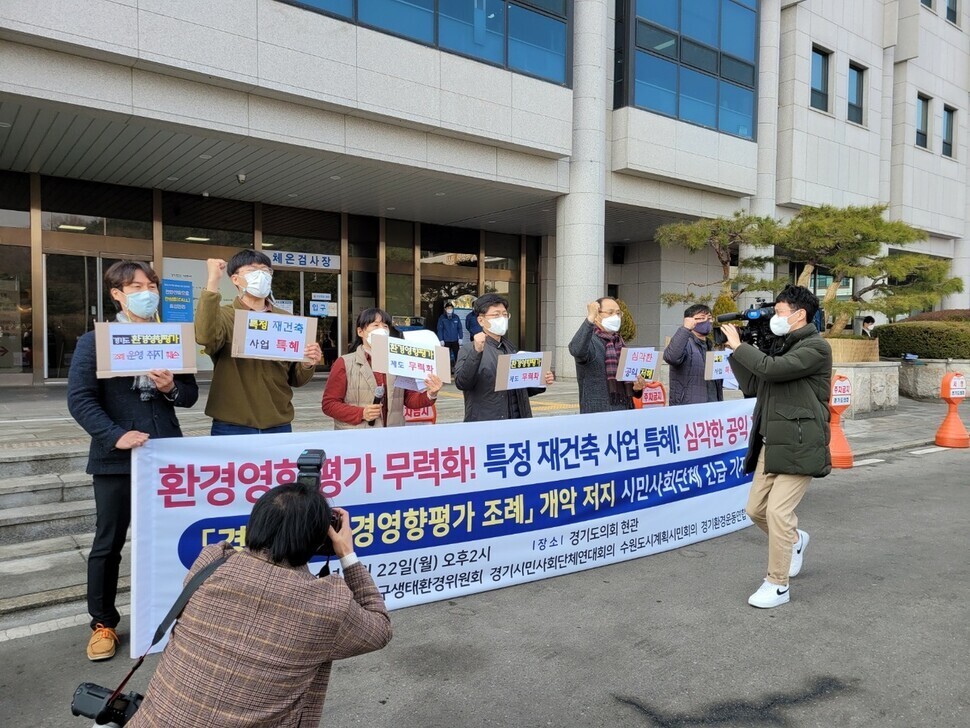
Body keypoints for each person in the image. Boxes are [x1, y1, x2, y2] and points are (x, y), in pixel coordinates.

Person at [127, 484, 391, 727]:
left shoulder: (211, 562)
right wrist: (347, 554)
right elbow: (379, 628)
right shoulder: (327, 604)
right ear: (321, 540)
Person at [67, 261, 199, 661]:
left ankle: (173, 613)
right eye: (137, 286)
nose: (147, 292)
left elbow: (189, 396)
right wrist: (114, 435)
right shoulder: (95, 341)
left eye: (151, 285)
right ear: (117, 294)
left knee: (171, 535)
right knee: (108, 543)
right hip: (116, 460)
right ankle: (103, 622)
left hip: (165, 455)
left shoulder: (172, 338)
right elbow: (80, 399)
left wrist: (171, 386)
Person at [722, 284, 832, 609]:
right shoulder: (781, 345)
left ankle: (777, 583)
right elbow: (756, 382)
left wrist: (742, 347)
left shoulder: (815, 347)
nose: (775, 318)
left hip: (801, 441)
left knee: (778, 512)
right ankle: (795, 541)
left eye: (780, 312)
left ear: (800, 315)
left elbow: (772, 369)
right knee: (755, 510)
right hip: (773, 441)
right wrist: (738, 351)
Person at [195, 252, 322, 435]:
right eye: (253, 270)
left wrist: (308, 363)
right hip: (232, 423)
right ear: (235, 279)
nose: (261, 275)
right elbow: (205, 337)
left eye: (265, 270)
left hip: (278, 422)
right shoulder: (225, 315)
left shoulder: (287, 321)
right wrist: (213, 282)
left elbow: (296, 378)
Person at [322, 308, 442, 428]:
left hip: (391, 436)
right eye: (375, 325)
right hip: (357, 439)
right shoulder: (344, 363)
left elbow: (409, 399)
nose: (382, 330)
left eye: (385, 326)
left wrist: (430, 394)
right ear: (360, 331)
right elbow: (329, 404)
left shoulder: (398, 361)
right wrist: (361, 413)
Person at [454, 293, 554, 422]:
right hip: (487, 423)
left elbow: (519, 390)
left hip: (516, 421)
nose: (502, 318)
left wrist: (540, 380)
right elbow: (462, 382)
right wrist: (476, 352)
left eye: (505, 314)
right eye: (496, 315)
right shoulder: (469, 349)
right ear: (481, 320)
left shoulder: (510, 349)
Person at [569, 298, 647, 413]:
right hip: (598, 412)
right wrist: (589, 318)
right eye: (610, 313)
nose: (615, 317)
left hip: (624, 409)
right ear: (597, 315)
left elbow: (627, 379)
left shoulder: (620, 343)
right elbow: (576, 349)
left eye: (618, 313)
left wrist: (636, 388)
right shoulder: (590, 341)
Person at [663, 303, 724, 406]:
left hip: (713, 406)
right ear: (689, 320)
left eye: (709, 318)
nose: (707, 321)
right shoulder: (683, 342)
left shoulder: (711, 346)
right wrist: (685, 329)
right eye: (701, 318)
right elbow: (671, 357)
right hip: (689, 408)